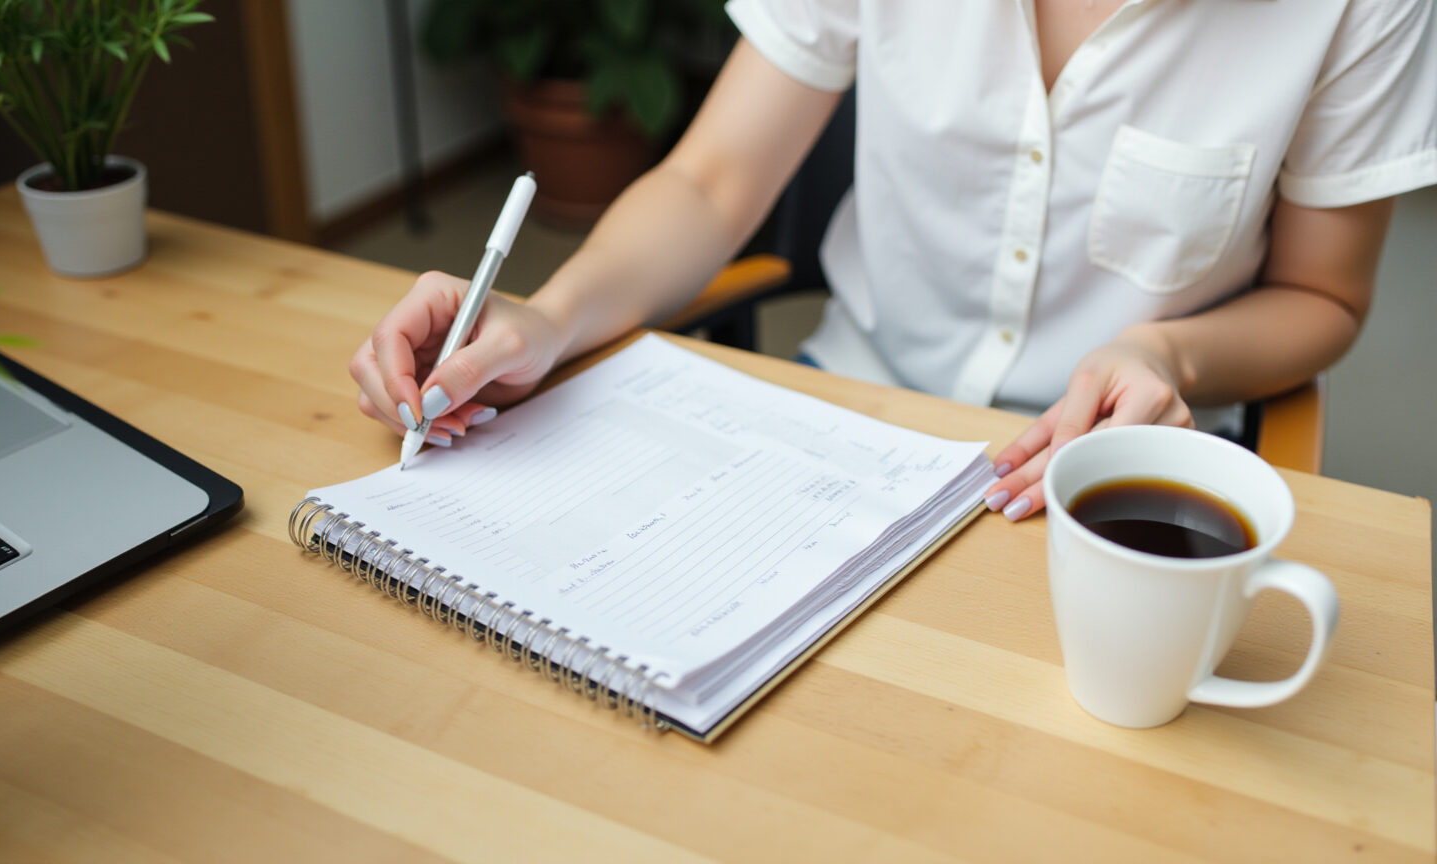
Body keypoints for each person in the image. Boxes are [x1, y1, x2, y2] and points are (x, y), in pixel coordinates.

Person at [351, 0, 1437, 522]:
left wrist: (1169, 352)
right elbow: (714, 180)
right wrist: (546, 319)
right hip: (843, 431)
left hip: (1106, 483)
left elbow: (1323, 295)